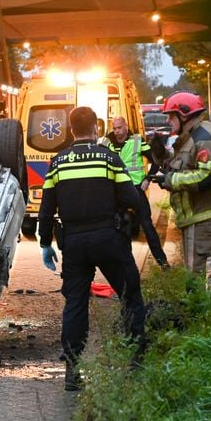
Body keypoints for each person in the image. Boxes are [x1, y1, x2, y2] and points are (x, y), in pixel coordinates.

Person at [38, 106, 146, 390]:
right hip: (108, 237)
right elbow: (131, 196)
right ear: (97, 129)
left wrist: (45, 243)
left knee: (75, 303)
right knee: (130, 293)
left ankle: (73, 371)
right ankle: (135, 361)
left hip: (73, 242)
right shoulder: (109, 158)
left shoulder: (58, 162)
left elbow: (46, 208)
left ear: (71, 130)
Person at [154, 91, 211, 278]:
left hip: (206, 220)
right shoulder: (193, 136)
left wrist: (171, 180)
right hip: (198, 220)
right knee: (196, 277)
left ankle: (204, 309)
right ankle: (197, 307)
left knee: (202, 279)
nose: (168, 121)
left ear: (184, 114)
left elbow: (209, 175)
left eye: (171, 116)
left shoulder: (203, 138)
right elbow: (187, 164)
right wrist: (162, 156)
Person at [101, 116, 169, 267]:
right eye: (114, 128)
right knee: (117, 227)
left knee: (146, 224)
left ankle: (162, 262)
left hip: (135, 188)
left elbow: (156, 160)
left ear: (126, 127)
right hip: (116, 190)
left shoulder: (137, 141)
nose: (117, 131)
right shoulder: (106, 143)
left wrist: (148, 178)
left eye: (119, 128)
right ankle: (125, 264)